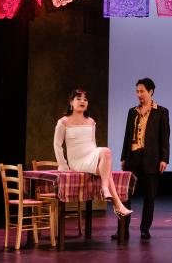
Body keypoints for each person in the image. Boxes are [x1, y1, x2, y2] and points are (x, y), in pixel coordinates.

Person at [54, 89, 132, 218]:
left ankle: (116, 203)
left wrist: (99, 160)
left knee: (105, 155)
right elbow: (57, 145)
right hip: (77, 161)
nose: (82, 101)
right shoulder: (63, 122)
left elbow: (93, 143)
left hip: (91, 155)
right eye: (79, 99)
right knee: (106, 169)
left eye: (85, 99)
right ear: (71, 102)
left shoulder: (91, 121)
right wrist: (63, 166)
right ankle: (115, 202)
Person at [113, 78, 170, 240]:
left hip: (152, 158)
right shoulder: (132, 111)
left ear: (150, 91)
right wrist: (124, 157)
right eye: (137, 91)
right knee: (125, 196)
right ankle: (122, 230)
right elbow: (126, 136)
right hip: (133, 157)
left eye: (142, 91)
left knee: (149, 195)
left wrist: (164, 159)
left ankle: (145, 229)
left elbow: (165, 138)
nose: (139, 94)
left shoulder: (161, 111)